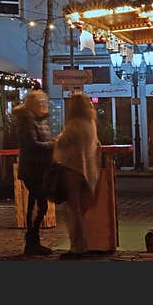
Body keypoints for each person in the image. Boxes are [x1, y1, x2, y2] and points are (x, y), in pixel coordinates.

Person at [53, 93, 101, 259]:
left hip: (73, 170)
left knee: (73, 211)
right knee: (81, 209)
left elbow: (60, 143)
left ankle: (77, 247)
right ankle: (83, 245)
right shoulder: (90, 124)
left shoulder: (74, 124)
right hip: (88, 171)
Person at [13, 90, 55, 255]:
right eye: (41, 102)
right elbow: (31, 144)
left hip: (38, 168)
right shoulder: (27, 121)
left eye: (45, 101)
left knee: (33, 204)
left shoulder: (37, 120)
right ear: (33, 104)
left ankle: (32, 242)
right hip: (32, 169)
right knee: (42, 205)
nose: (44, 104)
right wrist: (53, 144)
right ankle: (31, 239)